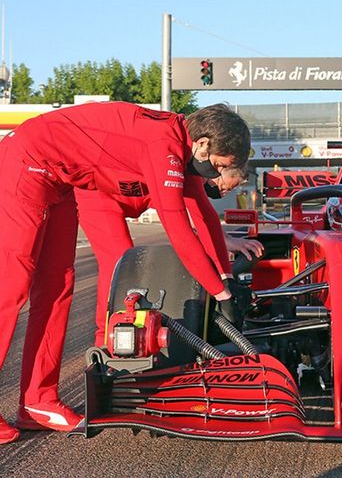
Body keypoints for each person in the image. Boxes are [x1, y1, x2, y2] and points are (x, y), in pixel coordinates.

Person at [0, 101, 251, 444]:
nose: (216, 173)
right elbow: (178, 229)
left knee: (58, 286)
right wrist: (219, 294)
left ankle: (37, 402)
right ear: (204, 144)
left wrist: (225, 279)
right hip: (26, 161)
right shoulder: (162, 144)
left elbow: (204, 216)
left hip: (60, 181)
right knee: (10, 286)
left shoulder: (181, 145)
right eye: (220, 165)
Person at [76, 166, 264, 349]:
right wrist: (222, 282)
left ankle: (139, 334)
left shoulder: (193, 176)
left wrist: (225, 244)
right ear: (217, 169)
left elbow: (199, 216)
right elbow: (188, 226)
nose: (224, 193)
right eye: (227, 187)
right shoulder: (186, 170)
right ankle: (105, 341)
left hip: (134, 190)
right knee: (120, 265)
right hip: (98, 193)